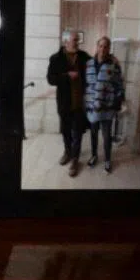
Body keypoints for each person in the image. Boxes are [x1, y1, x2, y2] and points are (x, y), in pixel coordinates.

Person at [46, 28, 92, 177]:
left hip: (80, 103)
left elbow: (97, 61)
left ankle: (75, 160)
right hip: (64, 103)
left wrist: (111, 58)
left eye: (78, 40)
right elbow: (51, 79)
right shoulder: (55, 58)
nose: (77, 42)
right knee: (66, 131)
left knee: (77, 132)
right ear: (65, 41)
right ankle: (67, 151)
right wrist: (66, 76)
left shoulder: (84, 56)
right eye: (75, 40)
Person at [84, 35, 124, 173]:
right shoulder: (88, 64)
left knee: (107, 136)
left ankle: (107, 159)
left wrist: (117, 103)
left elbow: (119, 85)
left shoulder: (114, 65)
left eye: (106, 46)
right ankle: (94, 155)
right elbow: (85, 85)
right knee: (93, 133)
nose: (103, 49)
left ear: (109, 48)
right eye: (100, 46)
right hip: (92, 107)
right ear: (97, 47)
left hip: (107, 107)